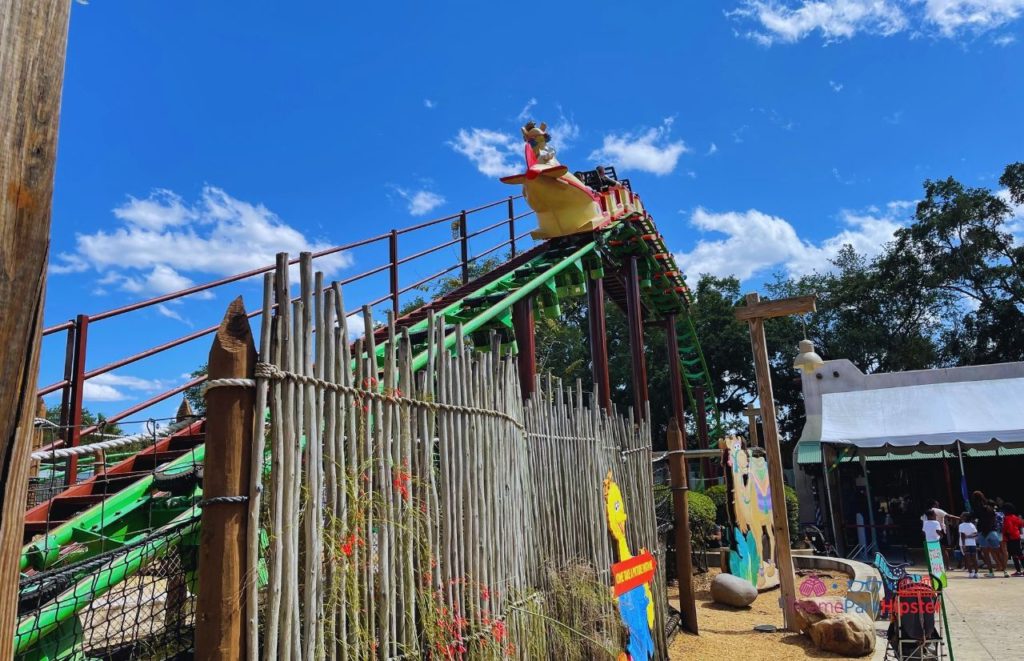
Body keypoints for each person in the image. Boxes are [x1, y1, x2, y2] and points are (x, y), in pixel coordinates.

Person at [971, 490, 1008, 577]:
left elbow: (973, 517)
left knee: (986, 554)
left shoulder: (977, 508)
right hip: (992, 531)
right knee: (998, 552)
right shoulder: (990, 508)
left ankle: (991, 572)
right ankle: (1005, 571)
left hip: (982, 532)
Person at [1002, 503, 1024, 576]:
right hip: (1017, 537)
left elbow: (1008, 528)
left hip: (1010, 538)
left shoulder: (1006, 518)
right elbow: (1021, 524)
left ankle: (1018, 571)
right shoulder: (1015, 517)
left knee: (1015, 554)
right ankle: (1020, 570)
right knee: (1019, 554)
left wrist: (1007, 535)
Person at [959, 512, 979, 578]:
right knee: (974, 559)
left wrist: (964, 545)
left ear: (965, 517)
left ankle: (970, 573)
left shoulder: (961, 525)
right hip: (973, 544)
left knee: (968, 559)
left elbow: (962, 536)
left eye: (962, 515)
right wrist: (970, 536)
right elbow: (976, 534)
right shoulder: (972, 525)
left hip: (966, 544)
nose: (961, 516)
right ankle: (976, 573)